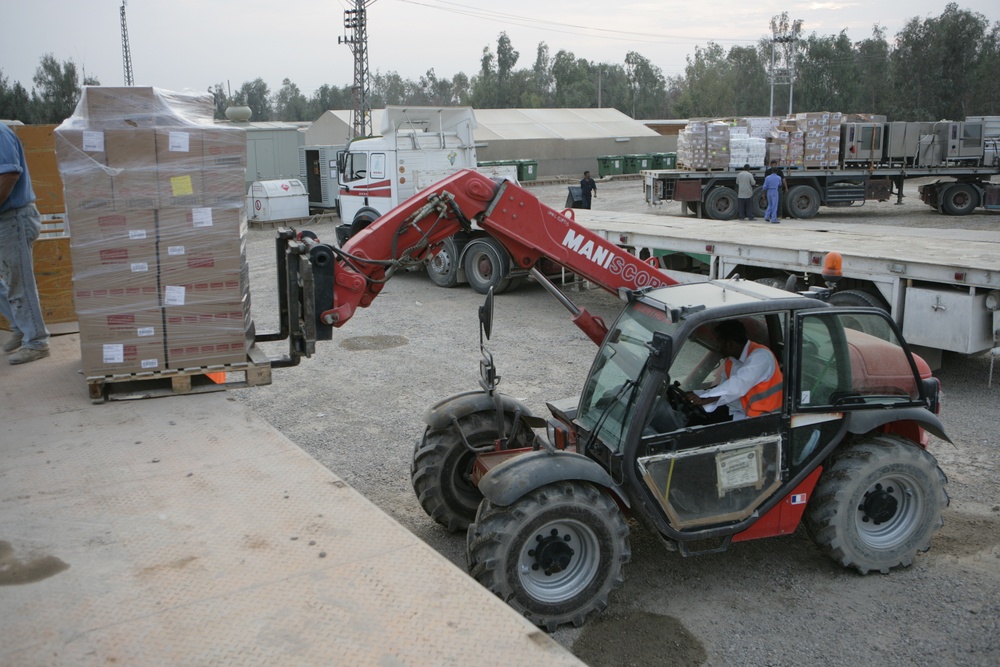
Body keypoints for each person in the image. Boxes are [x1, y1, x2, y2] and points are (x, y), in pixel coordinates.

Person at [0, 123, 50, 365]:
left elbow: (9, 175)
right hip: (4, 219)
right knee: (9, 281)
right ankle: (21, 326)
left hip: (13, 219)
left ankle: (37, 342)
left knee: (20, 282)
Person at [686, 320, 782, 422]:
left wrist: (702, 398)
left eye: (719, 342)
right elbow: (723, 389)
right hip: (740, 412)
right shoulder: (731, 361)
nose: (717, 346)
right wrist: (696, 395)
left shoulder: (761, 357)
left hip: (765, 419)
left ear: (730, 344)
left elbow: (736, 386)